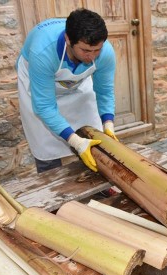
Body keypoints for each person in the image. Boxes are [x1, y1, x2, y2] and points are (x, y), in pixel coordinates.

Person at [16, 8, 118, 173]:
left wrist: (108, 123)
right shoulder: (43, 52)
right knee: (45, 144)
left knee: (93, 134)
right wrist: (77, 143)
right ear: (68, 39)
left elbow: (104, 91)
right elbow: (44, 106)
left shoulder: (105, 53)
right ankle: (52, 187)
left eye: (96, 50)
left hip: (74, 83)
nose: (92, 57)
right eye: (85, 50)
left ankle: (97, 184)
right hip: (39, 83)